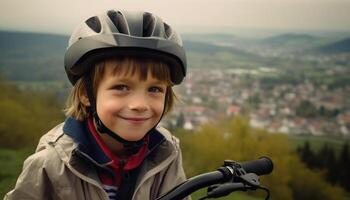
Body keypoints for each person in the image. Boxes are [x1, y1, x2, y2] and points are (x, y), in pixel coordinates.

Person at [5, 9, 189, 200]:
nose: (139, 104)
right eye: (122, 87)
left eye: (154, 89)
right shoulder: (51, 165)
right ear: (86, 94)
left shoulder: (167, 152)